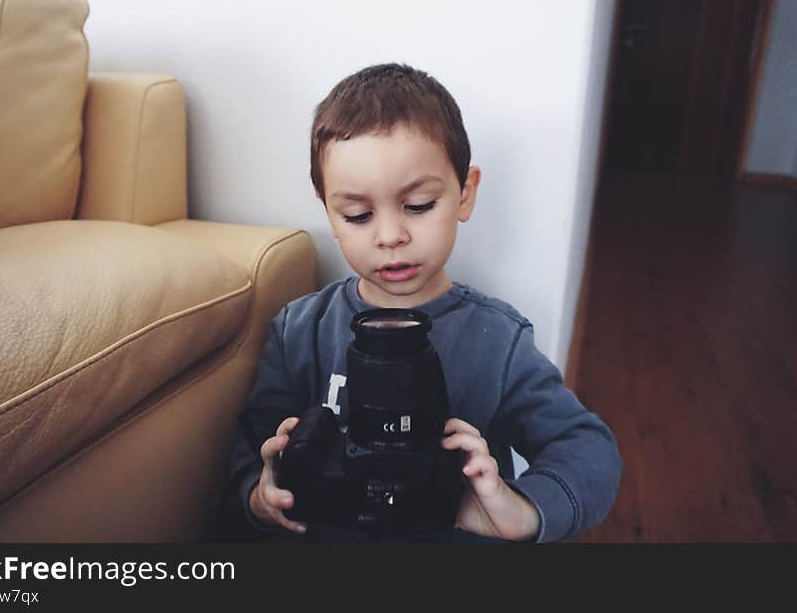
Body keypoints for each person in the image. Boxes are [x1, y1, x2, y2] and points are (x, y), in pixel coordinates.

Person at [220, 63, 621, 543]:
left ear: (464, 195)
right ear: (327, 208)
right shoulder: (299, 330)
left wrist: (523, 509)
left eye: (418, 206)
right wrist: (258, 494)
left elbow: (587, 447)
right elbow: (251, 444)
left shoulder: (498, 341)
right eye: (358, 214)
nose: (391, 236)